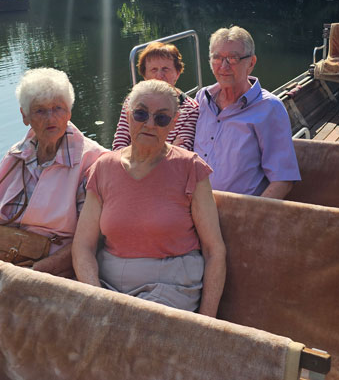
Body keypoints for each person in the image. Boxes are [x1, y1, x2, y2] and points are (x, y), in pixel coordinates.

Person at [72, 80, 226, 316]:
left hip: (171, 283)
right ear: (127, 115)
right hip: (109, 282)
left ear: (173, 123)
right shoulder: (103, 167)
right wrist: (96, 296)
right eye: (141, 113)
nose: (150, 124)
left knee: (134, 329)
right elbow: (83, 246)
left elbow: (214, 249)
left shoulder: (190, 167)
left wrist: (207, 322)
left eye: (161, 118)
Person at [0, 68, 107, 277]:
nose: (50, 117)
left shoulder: (93, 161)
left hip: (49, 272)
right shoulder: (16, 155)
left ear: (69, 112)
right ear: (25, 116)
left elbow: (90, 240)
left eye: (58, 108)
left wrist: (32, 274)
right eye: (40, 111)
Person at [193, 26, 301, 198]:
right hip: (193, 206)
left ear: (251, 63)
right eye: (217, 58)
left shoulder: (269, 108)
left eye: (233, 58)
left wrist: (248, 218)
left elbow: (283, 180)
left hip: (237, 213)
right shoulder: (202, 99)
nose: (224, 66)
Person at [112, 41, 200, 150]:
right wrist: (168, 148)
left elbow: (179, 155)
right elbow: (119, 146)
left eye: (165, 69)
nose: (159, 76)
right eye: (154, 70)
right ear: (145, 75)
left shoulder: (190, 109)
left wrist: (137, 150)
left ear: (177, 73)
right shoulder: (132, 101)